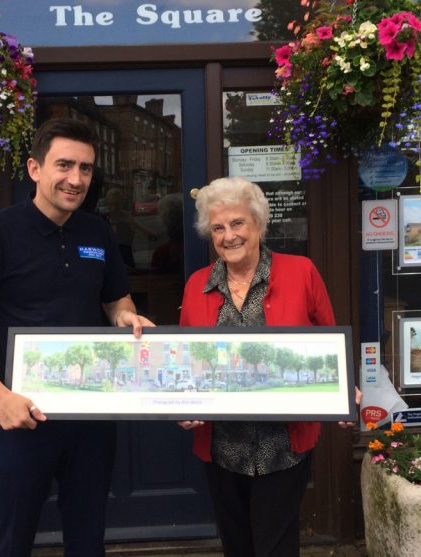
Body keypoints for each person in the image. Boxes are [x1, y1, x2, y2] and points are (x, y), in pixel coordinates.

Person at [0, 118, 154, 557]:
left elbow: (115, 302)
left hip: (90, 413)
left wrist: (126, 317)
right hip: (21, 416)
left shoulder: (97, 232)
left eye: (85, 168)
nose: (76, 179)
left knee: (88, 539)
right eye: (64, 165)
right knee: (11, 542)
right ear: (35, 168)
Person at [177, 176, 354, 557]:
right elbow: (188, 360)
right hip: (223, 448)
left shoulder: (301, 272)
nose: (229, 236)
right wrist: (182, 403)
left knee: (276, 547)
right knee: (237, 546)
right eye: (218, 228)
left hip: (283, 446)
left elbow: (329, 340)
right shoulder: (196, 285)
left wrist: (343, 384)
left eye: (238, 223)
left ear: (258, 224)